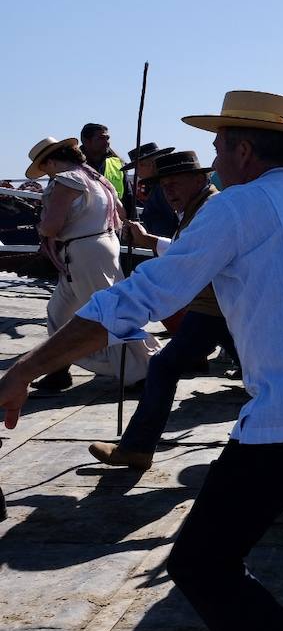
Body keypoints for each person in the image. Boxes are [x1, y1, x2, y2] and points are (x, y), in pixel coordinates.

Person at [0, 91, 283, 631]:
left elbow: (138, 299)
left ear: (244, 150)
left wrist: (26, 366)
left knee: (202, 565)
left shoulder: (234, 207)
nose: (213, 159)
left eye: (218, 146)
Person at [89, 150, 237, 469]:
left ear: (199, 179)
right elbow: (186, 251)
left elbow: (184, 259)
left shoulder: (209, 209)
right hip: (218, 308)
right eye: (163, 186)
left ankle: (138, 448)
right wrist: (149, 241)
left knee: (165, 367)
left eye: (174, 183)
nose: (168, 192)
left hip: (221, 308)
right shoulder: (200, 206)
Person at [24, 136, 156, 394]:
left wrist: (40, 229)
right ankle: (58, 369)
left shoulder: (66, 180)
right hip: (98, 246)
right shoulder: (97, 179)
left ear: (51, 161)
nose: (46, 174)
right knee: (59, 311)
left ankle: (142, 369)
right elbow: (120, 211)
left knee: (109, 313)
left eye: (45, 168)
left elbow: (52, 225)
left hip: (85, 252)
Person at [125, 143, 179, 237]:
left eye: (138, 167)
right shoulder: (160, 187)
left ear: (152, 165)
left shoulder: (163, 189)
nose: (137, 172)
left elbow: (169, 223)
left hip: (168, 245)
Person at [79, 122, 125, 199]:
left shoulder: (118, 164)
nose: (107, 142)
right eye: (101, 138)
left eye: (107, 138)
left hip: (116, 210)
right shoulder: (71, 166)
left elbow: (128, 199)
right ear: (86, 141)